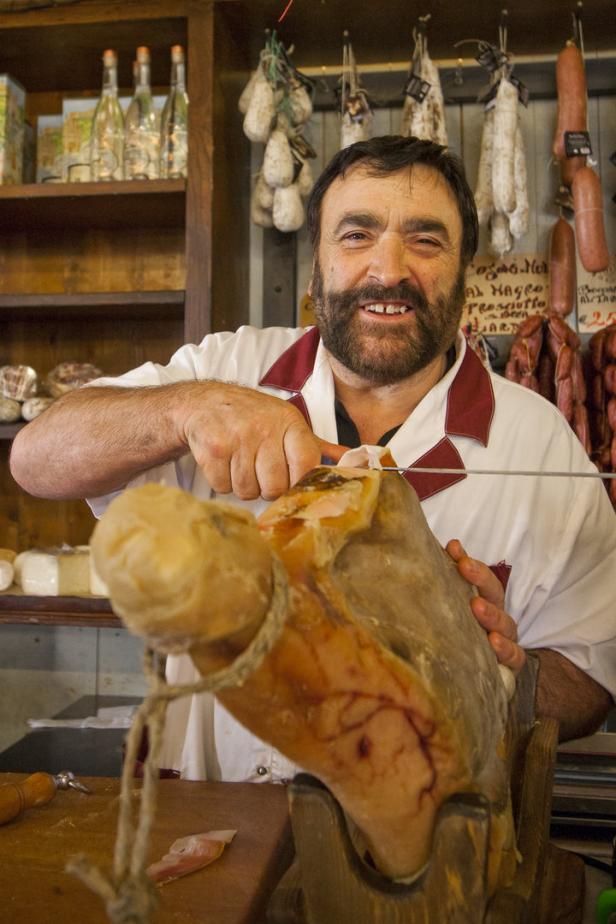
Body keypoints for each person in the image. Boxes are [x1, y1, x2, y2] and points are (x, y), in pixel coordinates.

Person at [10, 136, 615, 781]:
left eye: (426, 240)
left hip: (434, 856)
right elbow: (36, 458)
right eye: (356, 235)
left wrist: (500, 673)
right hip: (221, 833)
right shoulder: (226, 368)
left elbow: (595, 682)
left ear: (464, 271)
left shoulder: (538, 439)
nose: (388, 270)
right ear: (316, 265)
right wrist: (186, 410)